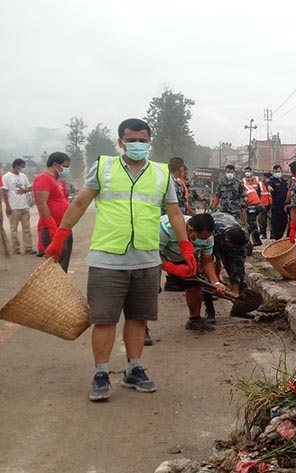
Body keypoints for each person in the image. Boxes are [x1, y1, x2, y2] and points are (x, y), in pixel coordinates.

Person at [44, 118, 197, 402]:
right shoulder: (104, 167)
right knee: (104, 320)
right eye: (131, 140)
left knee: (138, 318)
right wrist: (60, 234)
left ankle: (133, 368)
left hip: (146, 258)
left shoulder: (162, 173)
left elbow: (175, 212)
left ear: (150, 142)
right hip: (107, 259)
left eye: (142, 140)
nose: (137, 144)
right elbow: (80, 203)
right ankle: (101, 373)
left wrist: (186, 247)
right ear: (121, 142)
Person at [159, 213, 224, 331]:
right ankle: (143, 328)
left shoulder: (208, 237)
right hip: (157, 254)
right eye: (200, 238)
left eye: (206, 238)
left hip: (185, 256)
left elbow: (207, 262)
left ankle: (194, 319)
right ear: (190, 230)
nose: (203, 241)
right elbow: (153, 254)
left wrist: (216, 283)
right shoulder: (166, 229)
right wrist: (173, 268)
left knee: (194, 285)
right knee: (148, 290)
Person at [202, 211, 249, 322]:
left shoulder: (243, 237)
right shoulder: (213, 233)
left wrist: (235, 292)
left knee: (239, 273)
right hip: (212, 244)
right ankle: (210, 312)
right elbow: (207, 262)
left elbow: (238, 265)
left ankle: (238, 309)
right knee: (206, 277)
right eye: (232, 246)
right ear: (227, 241)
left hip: (227, 236)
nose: (233, 249)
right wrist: (216, 283)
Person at [33, 152, 73, 271]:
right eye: (65, 167)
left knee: (63, 265)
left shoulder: (56, 181)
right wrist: (52, 229)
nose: (67, 170)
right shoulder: (43, 179)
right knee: (57, 267)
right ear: (55, 165)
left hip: (63, 227)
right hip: (54, 229)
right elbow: (42, 204)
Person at [2, 158, 35, 255]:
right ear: (16, 166)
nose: (22, 169)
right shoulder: (6, 177)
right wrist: (8, 206)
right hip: (13, 207)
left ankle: (28, 248)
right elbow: (5, 192)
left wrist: (25, 190)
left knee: (26, 229)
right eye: (22, 167)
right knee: (14, 230)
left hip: (24, 206)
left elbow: (30, 187)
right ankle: (15, 248)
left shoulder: (23, 176)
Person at [241, 166, 266, 246]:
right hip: (259, 204)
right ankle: (249, 239)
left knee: (252, 224)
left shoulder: (243, 186)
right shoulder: (247, 184)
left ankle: (256, 241)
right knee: (251, 223)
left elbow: (245, 199)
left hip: (253, 205)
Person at [267, 164, 289, 239]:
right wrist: (269, 187)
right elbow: (268, 185)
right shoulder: (272, 181)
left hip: (284, 207)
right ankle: (277, 238)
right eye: (276, 172)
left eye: (279, 171)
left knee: (284, 223)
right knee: (276, 224)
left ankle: (280, 236)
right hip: (276, 207)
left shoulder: (284, 181)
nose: (277, 173)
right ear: (273, 172)